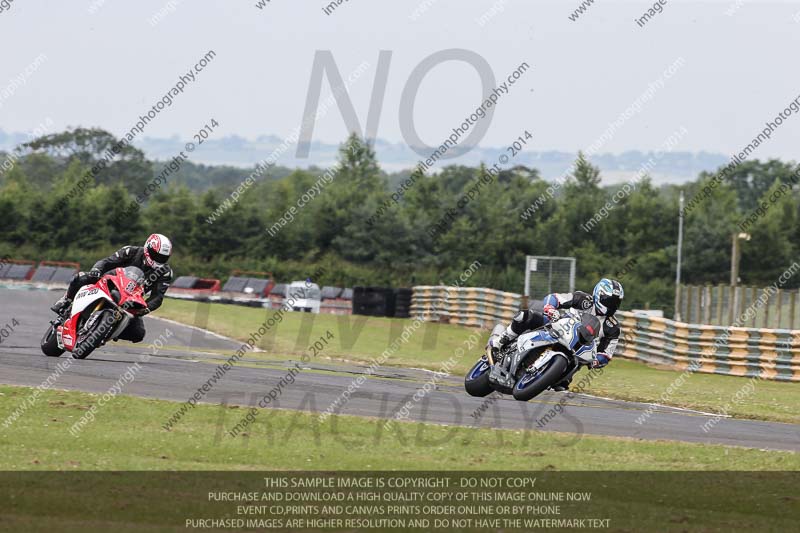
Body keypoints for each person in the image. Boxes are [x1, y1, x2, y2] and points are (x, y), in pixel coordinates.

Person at [492, 278, 624, 391]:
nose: (612, 306)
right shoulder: (583, 299)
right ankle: (502, 340)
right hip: (556, 328)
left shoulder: (612, 327)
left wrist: (597, 360)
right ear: (599, 294)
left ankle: (549, 376)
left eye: (616, 303)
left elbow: (606, 353)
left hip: (576, 351)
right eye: (609, 301)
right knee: (526, 316)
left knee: (564, 383)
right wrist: (550, 307)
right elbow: (555, 298)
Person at [50, 234, 174, 343]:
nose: (159, 259)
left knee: (138, 334)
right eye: (156, 255)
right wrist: (96, 270)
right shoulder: (130, 251)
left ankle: (107, 332)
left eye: (163, 257)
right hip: (110, 283)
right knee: (81, 277)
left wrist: (145, 308)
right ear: (148, 249)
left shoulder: (165, 272)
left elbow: (157, 297)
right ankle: (66, 300)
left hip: (130, 301)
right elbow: (106, 262)